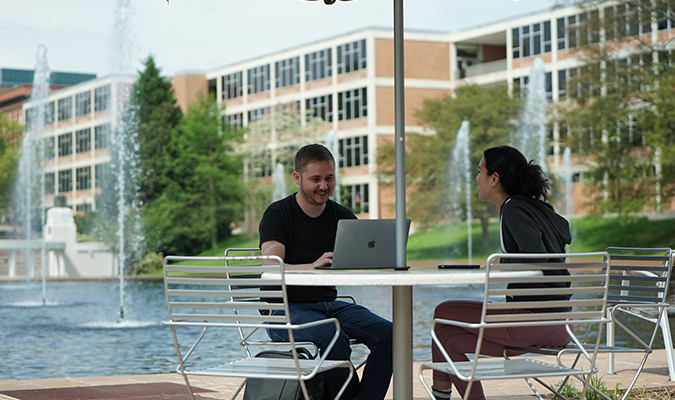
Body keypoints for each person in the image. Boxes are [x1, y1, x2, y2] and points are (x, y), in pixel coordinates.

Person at [430, 145, 573, 400]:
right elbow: (550, 246)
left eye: (480, 172)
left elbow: (535, 256)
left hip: (529, 322)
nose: (476, 178)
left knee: (442, 312)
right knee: (447, 336)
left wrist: (498, 267)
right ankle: (446, 395)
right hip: (559, 324)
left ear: (494, 179)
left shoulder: (513, 209)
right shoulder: (538, 208)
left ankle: (441, 394)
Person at [259, 143, 393, 400]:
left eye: (329, 178)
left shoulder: (341, 216)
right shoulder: (278, 214)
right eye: (315, 179)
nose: (324, 186)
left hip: (329, 305)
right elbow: (270, 264)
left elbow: (363, 258)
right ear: (297, 178)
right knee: (332, 334)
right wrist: (312, 266)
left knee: (389, 335)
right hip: (284, 310)